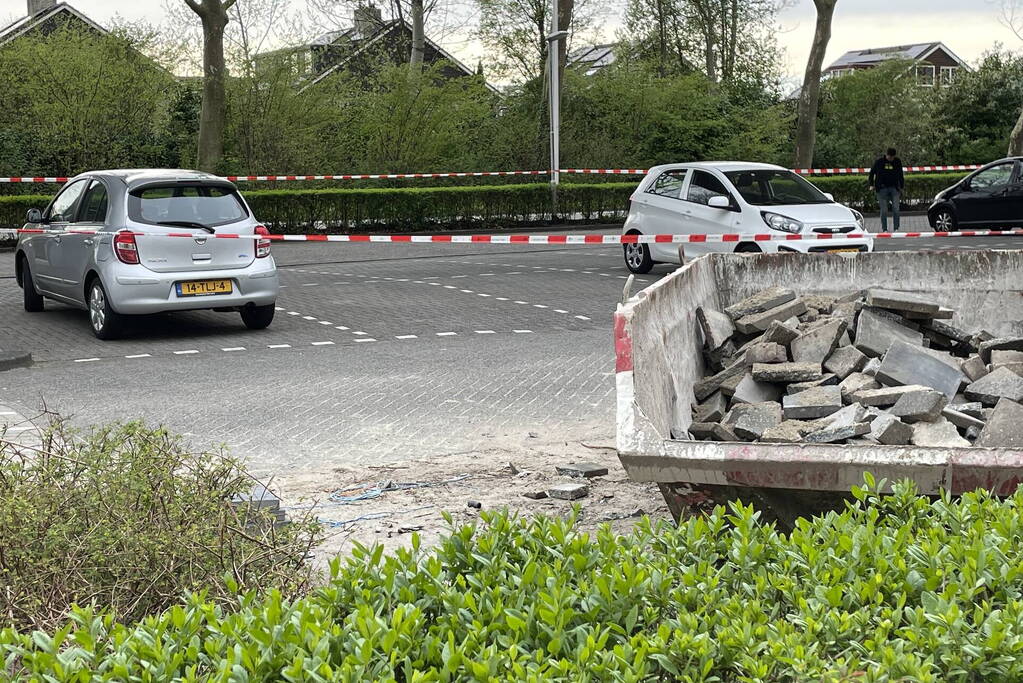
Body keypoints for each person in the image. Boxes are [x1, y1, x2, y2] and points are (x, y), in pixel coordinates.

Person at [868, 148, 905, 232]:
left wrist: (902, 187)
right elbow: (871, 173)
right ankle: (884, 229)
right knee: (884, 210)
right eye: (890, 157)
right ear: (887, 155)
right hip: (881, 189)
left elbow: (900, 174)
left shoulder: (897, 162)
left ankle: (896, 228)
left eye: (893, 157)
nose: (891, 159)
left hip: (894, 188)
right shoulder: (879, 162)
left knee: (896, 208)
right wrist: (871, 184)